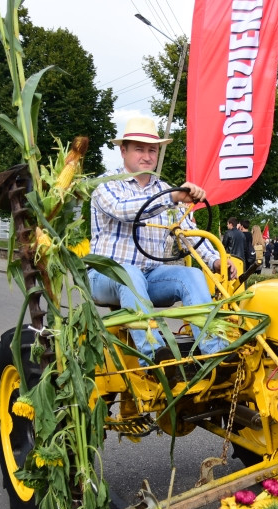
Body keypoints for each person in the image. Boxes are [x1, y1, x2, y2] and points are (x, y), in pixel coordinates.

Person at [88, 116, 234, 361]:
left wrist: (215, 260)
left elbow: (187, 232)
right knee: (129, 274)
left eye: (152, 150)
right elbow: (124, 210)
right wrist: (173, 197)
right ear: (123, 151)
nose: (146, 156)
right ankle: (155, 356)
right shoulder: (107, 186)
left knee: (192, 275)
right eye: (139, 149)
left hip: (148, 277)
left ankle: (215, 352)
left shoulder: (164, 189)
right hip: (106, 275)